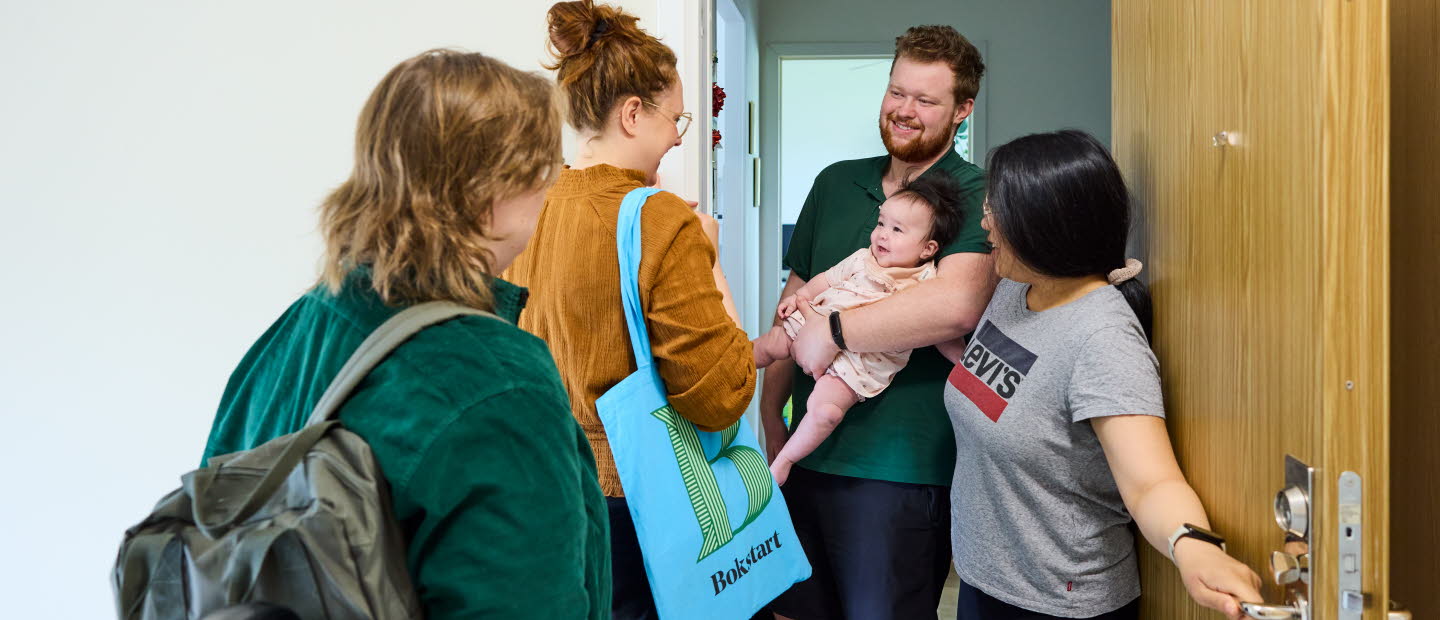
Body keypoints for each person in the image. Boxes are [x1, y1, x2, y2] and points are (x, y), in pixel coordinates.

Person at [200, 50, 610, 619]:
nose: (551, 188)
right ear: (490, 193)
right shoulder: (499, 381)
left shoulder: (299, 327)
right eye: (545, 170)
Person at [941, 130, 1262, 620]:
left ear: (1043, 224)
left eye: (996, 211)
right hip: (988, 578)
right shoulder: (1015, 289)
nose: (985, 222)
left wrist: (1195, 547)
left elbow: (1151, 481)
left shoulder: (1103, 338)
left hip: (1059, 601)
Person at [504, 2, 756, 618]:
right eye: (677, 118)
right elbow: (720, 393)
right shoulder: (659, 219)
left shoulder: (526, 204)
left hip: (542, 484)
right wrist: (710, 259)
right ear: (633, 113)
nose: (679, 136)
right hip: (631, 500)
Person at [764, 25, 997, 620]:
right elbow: (793, 303)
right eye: (897, 92)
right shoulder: (835, 182)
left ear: (963, 110)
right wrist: (770, 418)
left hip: (900, 469)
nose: (905, 110)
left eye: (926, 100)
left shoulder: (975, 193)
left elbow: (954, 306)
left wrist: (835, 330)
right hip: (804, 455)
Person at [754, 175, 965, 485]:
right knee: (773, 341)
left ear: (928, 248)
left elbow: (940, 329)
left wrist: (962, 360)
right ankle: (728, 364)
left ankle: (784, 461)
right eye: (881, 223)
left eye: (897, 230)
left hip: (858, 366)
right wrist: (799, 298)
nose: (881, 235)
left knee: (826, 412)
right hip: (817, 322)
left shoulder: (927, 282)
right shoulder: (863, 259)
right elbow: (825, 280)